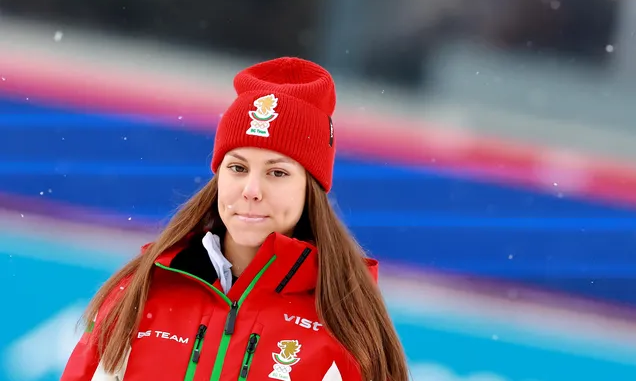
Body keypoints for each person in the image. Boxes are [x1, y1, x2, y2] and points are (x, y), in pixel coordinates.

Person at [60, 57, 409, 381]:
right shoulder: (140, 291)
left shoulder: (347, 325)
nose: (251, 190)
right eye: (238, 168)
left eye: (277, 173)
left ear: (310, 189)